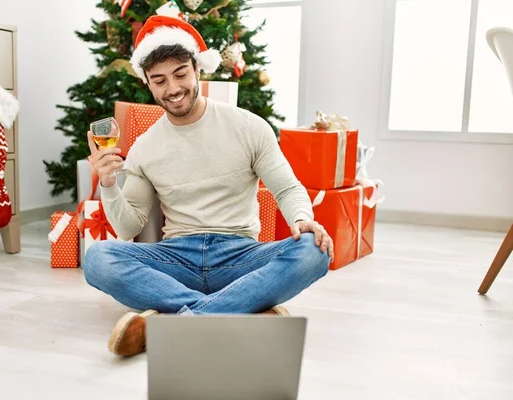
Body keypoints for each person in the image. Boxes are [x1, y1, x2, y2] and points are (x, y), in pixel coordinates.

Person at [83, 15, 333, 357]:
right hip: (176, 258)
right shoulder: (145, 146)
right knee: (98, 257)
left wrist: (302, 218)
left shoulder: (247, 126)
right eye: (159, 80)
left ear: (197, 69)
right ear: (149, 85)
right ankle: (236, 310)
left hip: (240, 255)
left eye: (180, 74)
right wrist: (109, 184)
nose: (172, 89)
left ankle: (180, 321)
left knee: (314, 250)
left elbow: (288, 189)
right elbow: (128, 227)